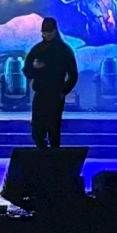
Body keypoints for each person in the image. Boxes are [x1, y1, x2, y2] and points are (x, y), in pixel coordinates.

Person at [22, 16, 78, 147]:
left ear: (54, 31)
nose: (45, 35)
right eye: (44, 32)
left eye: (48, 32)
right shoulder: (37, 50)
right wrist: (34, 68)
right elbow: (27, 71)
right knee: (37, 130)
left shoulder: (64, 50)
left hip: (56, 95)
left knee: (53, 130)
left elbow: (73, 74)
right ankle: (42, 154)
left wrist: (64, 91)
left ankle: (54, 157)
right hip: (40, 94)